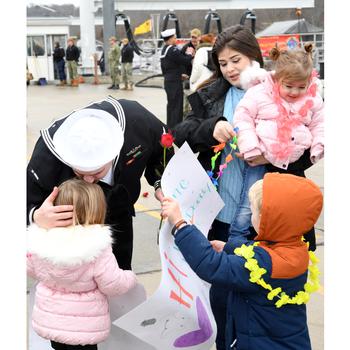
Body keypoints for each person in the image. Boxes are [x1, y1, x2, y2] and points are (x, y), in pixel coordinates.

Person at [173, 25, 317, 350]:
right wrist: (212, 127)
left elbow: (308, 151)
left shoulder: (282, 88)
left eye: (235, 59)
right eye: (223, 63)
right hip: (222, 215)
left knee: (266, 308)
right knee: (223, 299)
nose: (230, 69)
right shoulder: (211, 95)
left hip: (267, 221)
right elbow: (180, 131)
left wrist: (274, 151)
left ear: (254, 54)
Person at [161, 172, 323, 350]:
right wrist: (228, 247)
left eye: (253, 211)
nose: (251, 215)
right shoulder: (294, 248)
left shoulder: (264, 265)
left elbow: (211, 265)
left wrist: (179, 224)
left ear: (268, 220)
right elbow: (260, 251)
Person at [27, 96, 174, 270]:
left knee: (120, 270)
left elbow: (162, 153)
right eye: (80, 174)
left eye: (96, 173)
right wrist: (35, 216)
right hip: (73, 229)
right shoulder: (47, 156)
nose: (89, 181)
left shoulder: (139, 123)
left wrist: (161, 182)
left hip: (120, 209)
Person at [27, 178, 137, 350]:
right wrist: (130, 277)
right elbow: (113, 284)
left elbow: (30, 267)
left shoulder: (40, 240)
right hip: (85, 329)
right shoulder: (97, 247)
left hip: (51, 323)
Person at [230, 43, 324, 242]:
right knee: (250, 204)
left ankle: (294, 246)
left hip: (293, 167)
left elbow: (320, 124)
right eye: (288, 86)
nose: (294, 92)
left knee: (292, 210)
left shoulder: (313, 98)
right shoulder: (259, 93)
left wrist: (318, 146)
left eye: (301, 87)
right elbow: (243, 118)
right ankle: (236, 239)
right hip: (259, 160)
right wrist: (251, 148)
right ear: (277, 79)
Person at [160, 28, 194, 129]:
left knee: (171, 105)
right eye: (174, 37)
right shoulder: (172, 49)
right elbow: (184, 60)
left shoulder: (164, 49)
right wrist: (189, 53)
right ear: (170, 39)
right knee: (177, 106)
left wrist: (179, 73)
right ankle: (176, 129)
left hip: (169, 80)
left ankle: (170, 127)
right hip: (174, 82)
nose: (176, 39)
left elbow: (169, 66)